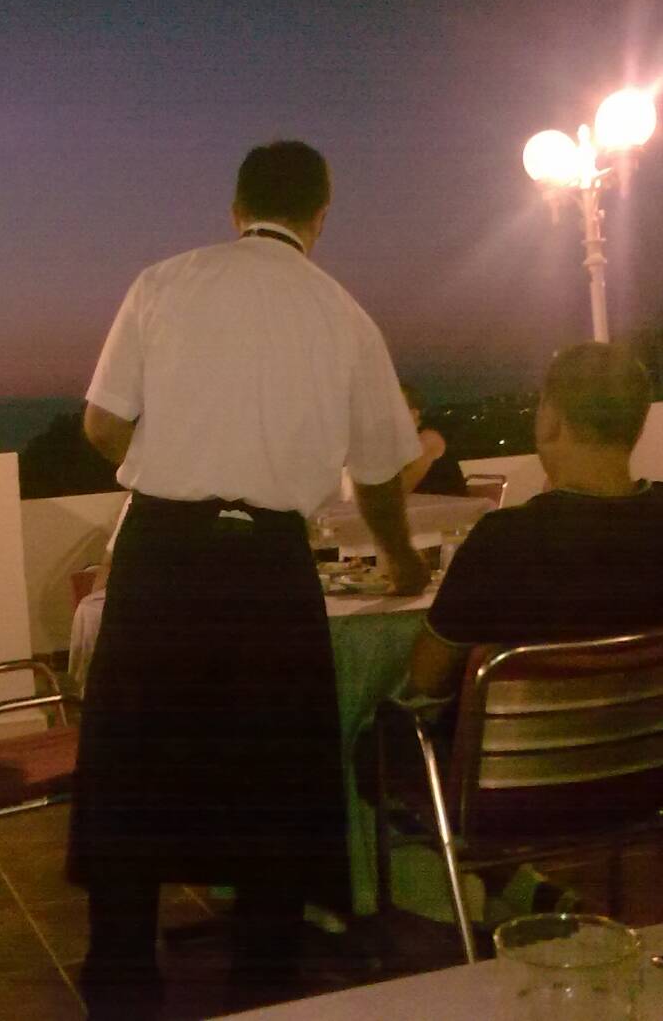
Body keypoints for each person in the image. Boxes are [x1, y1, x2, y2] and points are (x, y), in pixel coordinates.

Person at [68, 139, 428, 1014]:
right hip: (270, 562)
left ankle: (121, 974)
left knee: (135, 758)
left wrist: (169, 457)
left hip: (160, 553)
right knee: (275, 771)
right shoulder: (346, 315)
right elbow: (380, 473)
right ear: (320, 216)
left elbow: (100, 426)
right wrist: (402, 557)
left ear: (236, 209)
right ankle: (266, 978)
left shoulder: (162, 282)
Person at [410, 341, 662, 699]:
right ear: (637, 428)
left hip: (529, 733)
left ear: (550, 421)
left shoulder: (502, 539)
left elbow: (427, 678)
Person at [399, 383, 467, 497]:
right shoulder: (399, 443)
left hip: (450, 506)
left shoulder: (429, 438)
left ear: (414, 414)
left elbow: (400, 489)